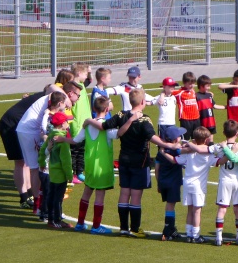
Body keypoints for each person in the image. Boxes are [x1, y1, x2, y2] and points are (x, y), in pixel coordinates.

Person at [85, 88, 176, 237]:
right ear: (142, 102)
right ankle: (134, 229)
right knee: (135, 195)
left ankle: (123, 228)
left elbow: (103, 126)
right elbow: (152, 136)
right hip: (140, 162)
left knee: (124, 192)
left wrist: (89, 120)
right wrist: (168, 145)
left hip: (123, 160)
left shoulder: (121, 114)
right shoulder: (144, 119)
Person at [186, 120, 238, 246]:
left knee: (222, 208)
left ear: (224, 132)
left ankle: (219, 237)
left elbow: (200, 150)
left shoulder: (219, 146)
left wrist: (187, 144)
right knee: (237, 209)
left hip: (224, 181)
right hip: (236, 181)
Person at [16, 82, 76, 216]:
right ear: (60, 103)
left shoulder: (51, 104)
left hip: (29, 131)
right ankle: (38, 206)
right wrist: (47, 137)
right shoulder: (48, 113)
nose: (65, 109)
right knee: (36, 168)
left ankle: (40, 205)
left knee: (39, 168)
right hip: (29, 133)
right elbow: (45, 126)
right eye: (65, 106)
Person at [66, 96, 118, 234]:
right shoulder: (107, 126)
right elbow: (119, 134)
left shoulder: (88, 125)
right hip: (102, 167)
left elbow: (75, 140)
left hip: (89, 166)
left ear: (94, 109)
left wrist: (61, 139)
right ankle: (96, 226)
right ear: (107, 110)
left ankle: (80, 223)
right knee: (100, 196)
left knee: (86, 194)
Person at [160, 127, 217, 243]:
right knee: (197, 211)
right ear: (206, 140)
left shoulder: (188, 153)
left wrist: (162, 153)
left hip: (187, 184)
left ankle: (189, 234)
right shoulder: (207, 154)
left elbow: (174, 160)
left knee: (190, 209)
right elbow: (218, 161)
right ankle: (195, 236)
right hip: (198, 186)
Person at [0, 85, 49, 209]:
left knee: (26, 162)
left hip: (19, 126)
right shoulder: (47, 99)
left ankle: (30, 194)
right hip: (10, 125)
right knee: (20, 162)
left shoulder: (45, 98)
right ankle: (24, 198)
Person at [37, 112, 73, 229]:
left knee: (51, 196)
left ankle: (51, 219)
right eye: (66, 121)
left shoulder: (51, 135)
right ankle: (56, 220)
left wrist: (42, 163)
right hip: (60, 173)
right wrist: (69, 175)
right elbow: (66, 160)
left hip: (51, 171)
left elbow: (42, 151)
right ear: (62, 124)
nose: (68, 123)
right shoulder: (62, 140)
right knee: (58, 198)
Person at [154, 126, 186, 241]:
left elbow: (157, 170)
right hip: (174, 183)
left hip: (163, 182)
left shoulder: (160, 153)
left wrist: (158, 183)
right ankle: (168, 230)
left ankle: (171, 229)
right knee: (170, 206)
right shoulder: (177, 151)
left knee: (169, 205)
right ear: (175, 139)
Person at [68, 62, 92, 184]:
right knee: (74, 151)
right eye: (85, 74)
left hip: (85, 123)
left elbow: (89, 80)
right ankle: (72, 173)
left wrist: (90, 72)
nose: (87, 76)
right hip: (76, 125)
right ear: (79, 73)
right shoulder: (73, 88)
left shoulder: (81, 84)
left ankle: (79, 172)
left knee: (82, 150)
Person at [173, 71, 200, 140]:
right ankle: (185, 150)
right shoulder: (180, 92)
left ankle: (195, 151)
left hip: (196, 118)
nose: (192, 85)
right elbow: (168, 92)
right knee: (185, 139)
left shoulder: (193, 91)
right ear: (184, 83)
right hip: (186, 119)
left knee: (196, 138)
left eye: (193, 83)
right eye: (190, 84)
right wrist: (162, 95)